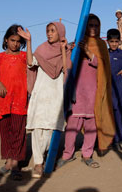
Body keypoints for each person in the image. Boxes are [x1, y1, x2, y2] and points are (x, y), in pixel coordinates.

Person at [57, 14, 115, 169]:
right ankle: (67, 154)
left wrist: (89, 53)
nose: (94, 28)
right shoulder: (76, 43)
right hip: (77, 92)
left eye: (96, 25)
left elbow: (104, 66)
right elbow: (67, 64)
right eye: (90, 25)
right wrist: (69, 49)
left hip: (93, 92)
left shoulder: (101, 45)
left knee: (91, 127)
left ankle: (87, 154)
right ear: (84, 27)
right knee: (72, 127)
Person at [26, 22, 72, 178]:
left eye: (52, 31)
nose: (49, 33)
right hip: (41, 92)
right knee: (37, 128)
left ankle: (45, 156)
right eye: (47, 31)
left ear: (60, 32)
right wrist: (29, 42)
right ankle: (38, 163)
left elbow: (66, 70)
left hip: (56, 94)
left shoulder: (66, 50)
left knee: (51, 129)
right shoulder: (41, 49)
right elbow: (30, 63)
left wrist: (64, 50)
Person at [0, 24, 33, 181]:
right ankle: (8, 162)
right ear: (6, 39)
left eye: (18, 41)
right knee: (6, 133)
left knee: (18, 133)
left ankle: (15, 165)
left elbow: (30, 62)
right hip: (3, 101)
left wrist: (29, 41)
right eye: (12, 40)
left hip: (20, 100)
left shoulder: (22, 56)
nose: (15, 43)